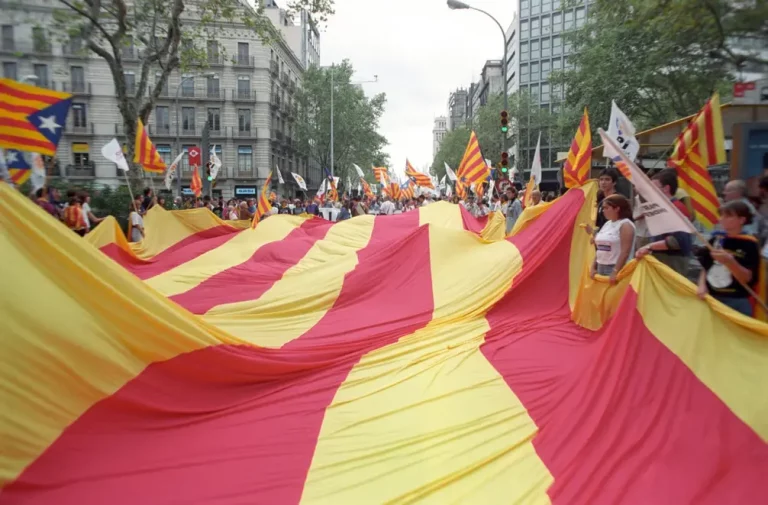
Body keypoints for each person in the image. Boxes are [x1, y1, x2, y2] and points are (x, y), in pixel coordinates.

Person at [696, 200, 760, 316]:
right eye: (721, 215)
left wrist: (730, 261)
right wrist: (701, 285)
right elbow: (705, 266)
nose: (721, 219)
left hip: (736, 301)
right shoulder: (716, 239)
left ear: (742, 220)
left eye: (728, 216)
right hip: (711, 297)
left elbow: (747, 278)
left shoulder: (750, 244)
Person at [635, 170, 693, 276]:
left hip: (672, 263)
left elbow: (676, 241)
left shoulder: (676, 208)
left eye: (654, 188)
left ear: (666, 188)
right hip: (663, 261)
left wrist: (648, 247)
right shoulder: (664, 207)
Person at [591, 194, 636, 284]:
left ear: (617, 209)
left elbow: (625, 252)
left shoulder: (625, 225)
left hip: (615, 267)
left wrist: (615, 271)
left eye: (606, 208)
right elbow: (600, 248)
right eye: (603, 208)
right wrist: (593, 266)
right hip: (601, 266)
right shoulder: (607, 224)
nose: (603, 211)